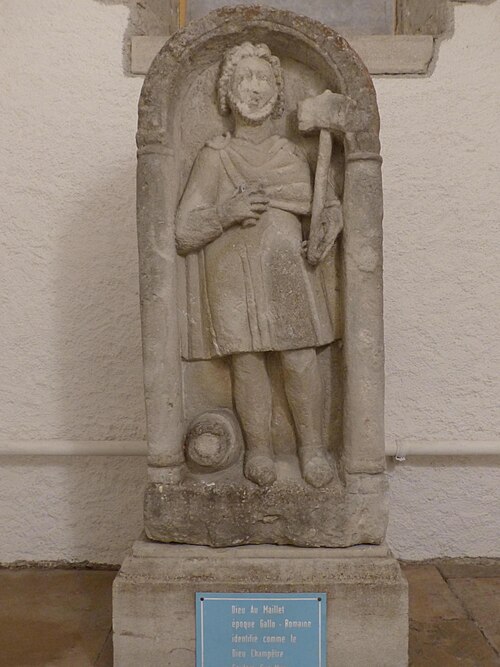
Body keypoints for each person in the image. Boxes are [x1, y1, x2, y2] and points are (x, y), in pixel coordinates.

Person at [175, 42, 339, 488]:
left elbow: (321, 209)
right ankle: (259, 450)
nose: (254, 87)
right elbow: (184, 230)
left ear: (277, 92)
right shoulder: (215, 156)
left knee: (300, 357)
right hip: (233, 276)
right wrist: (226, 212)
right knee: (247, 363)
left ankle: (312, 449)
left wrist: (326, 225)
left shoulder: (292, 154)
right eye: (244, 78)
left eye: (263, 78)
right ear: (227, 93)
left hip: (287, 270)